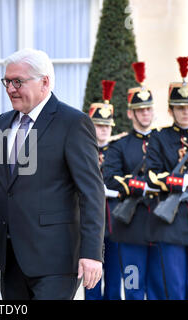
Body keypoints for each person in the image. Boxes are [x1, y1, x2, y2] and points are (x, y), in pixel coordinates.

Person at [0, 48, 105, 300]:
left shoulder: (73, 123)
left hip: (55, 260)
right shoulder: (3, 123)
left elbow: (91, 192)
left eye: (18, 81)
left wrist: (92, 253)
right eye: (7, 81)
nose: (10, 88)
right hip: (11, 258)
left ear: (44, 82)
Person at [145, 57, 188, 299]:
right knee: (174, 288)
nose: (185, 112)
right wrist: (186, 181)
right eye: (180, 107)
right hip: (170, 223)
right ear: (171, 110)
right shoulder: (159, 139)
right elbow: (152, 176)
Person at [103, 62, 161, 300]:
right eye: (140, 110)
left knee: (159, 289)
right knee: (134, 288)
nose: (145, 113)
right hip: (130, 228)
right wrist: (142, 186)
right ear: (130, 113)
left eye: (148, 109)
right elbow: (111, 178)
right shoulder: (120, 145)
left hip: (161, 226)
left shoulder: (164, 140)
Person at [84, 80, 122, 300]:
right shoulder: (84, 151)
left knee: (114, 282)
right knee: (91, 283)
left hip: (116, 224)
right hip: (91, 226)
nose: (104, 129)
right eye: (99, 125)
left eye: (107, 125)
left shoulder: (118, 150)